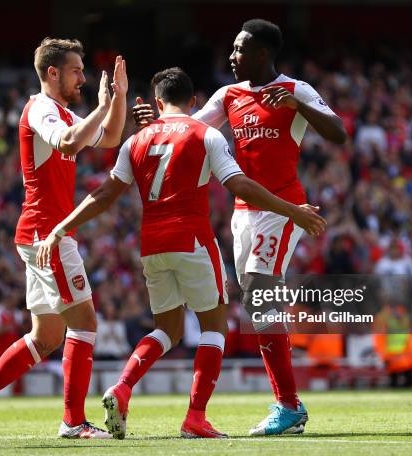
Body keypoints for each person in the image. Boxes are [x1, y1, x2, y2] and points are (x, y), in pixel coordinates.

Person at [36, 67, 326, 439]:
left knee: (167, 330)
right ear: (193, 102)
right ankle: (195, 417)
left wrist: (62, 226)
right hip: (192, 239)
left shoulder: (136, 141)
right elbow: (238, 183)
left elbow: (105, 194)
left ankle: (122, 387)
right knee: (215, 327)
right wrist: (291, 209)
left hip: (152, 246)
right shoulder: (205, 134)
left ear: (157, 102)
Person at [133, 19, 346, 436]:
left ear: (262, 53)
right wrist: (153, 123)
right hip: (243, 211)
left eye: (238, 49)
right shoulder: (228, 95)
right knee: (254, 300)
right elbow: (189, 130)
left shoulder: (296, 89)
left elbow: (337, 132)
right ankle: (288, 405)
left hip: (283, 207)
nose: (230, 57)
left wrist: (298, 107)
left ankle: (288, 405)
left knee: (260, 287)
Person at [0, 37, 128, 441]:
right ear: (52, 72)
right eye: (76, 70)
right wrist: (101, 106)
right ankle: (73, 422)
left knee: (46, 336)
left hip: (40, 232)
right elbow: (68, 143)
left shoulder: (62, 112)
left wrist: (119, 97)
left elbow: (110, 137)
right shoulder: (41, 109)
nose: (82, 77)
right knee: (84, 323)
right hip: (49, 233)